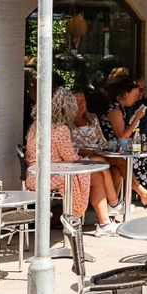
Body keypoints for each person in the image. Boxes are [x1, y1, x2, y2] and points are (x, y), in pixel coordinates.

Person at [29, 88, 119, 236]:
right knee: (96, 176)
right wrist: (86, 160)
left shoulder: (36, 125)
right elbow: (70, 157)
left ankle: (106, 220)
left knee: (96, 173)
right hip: (49, 174)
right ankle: (105, 221)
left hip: (35, 173)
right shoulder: (60, 128)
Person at [103, 77, 147, 207]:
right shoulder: (114, 110)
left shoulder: (122, 108)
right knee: (137, 161)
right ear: (125, 94)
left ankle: (119, 203)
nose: (136, 97)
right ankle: (144, 194)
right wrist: (137, 119)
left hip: (118, 150)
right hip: (112, 150)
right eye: (134, 94)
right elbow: (122, 137)